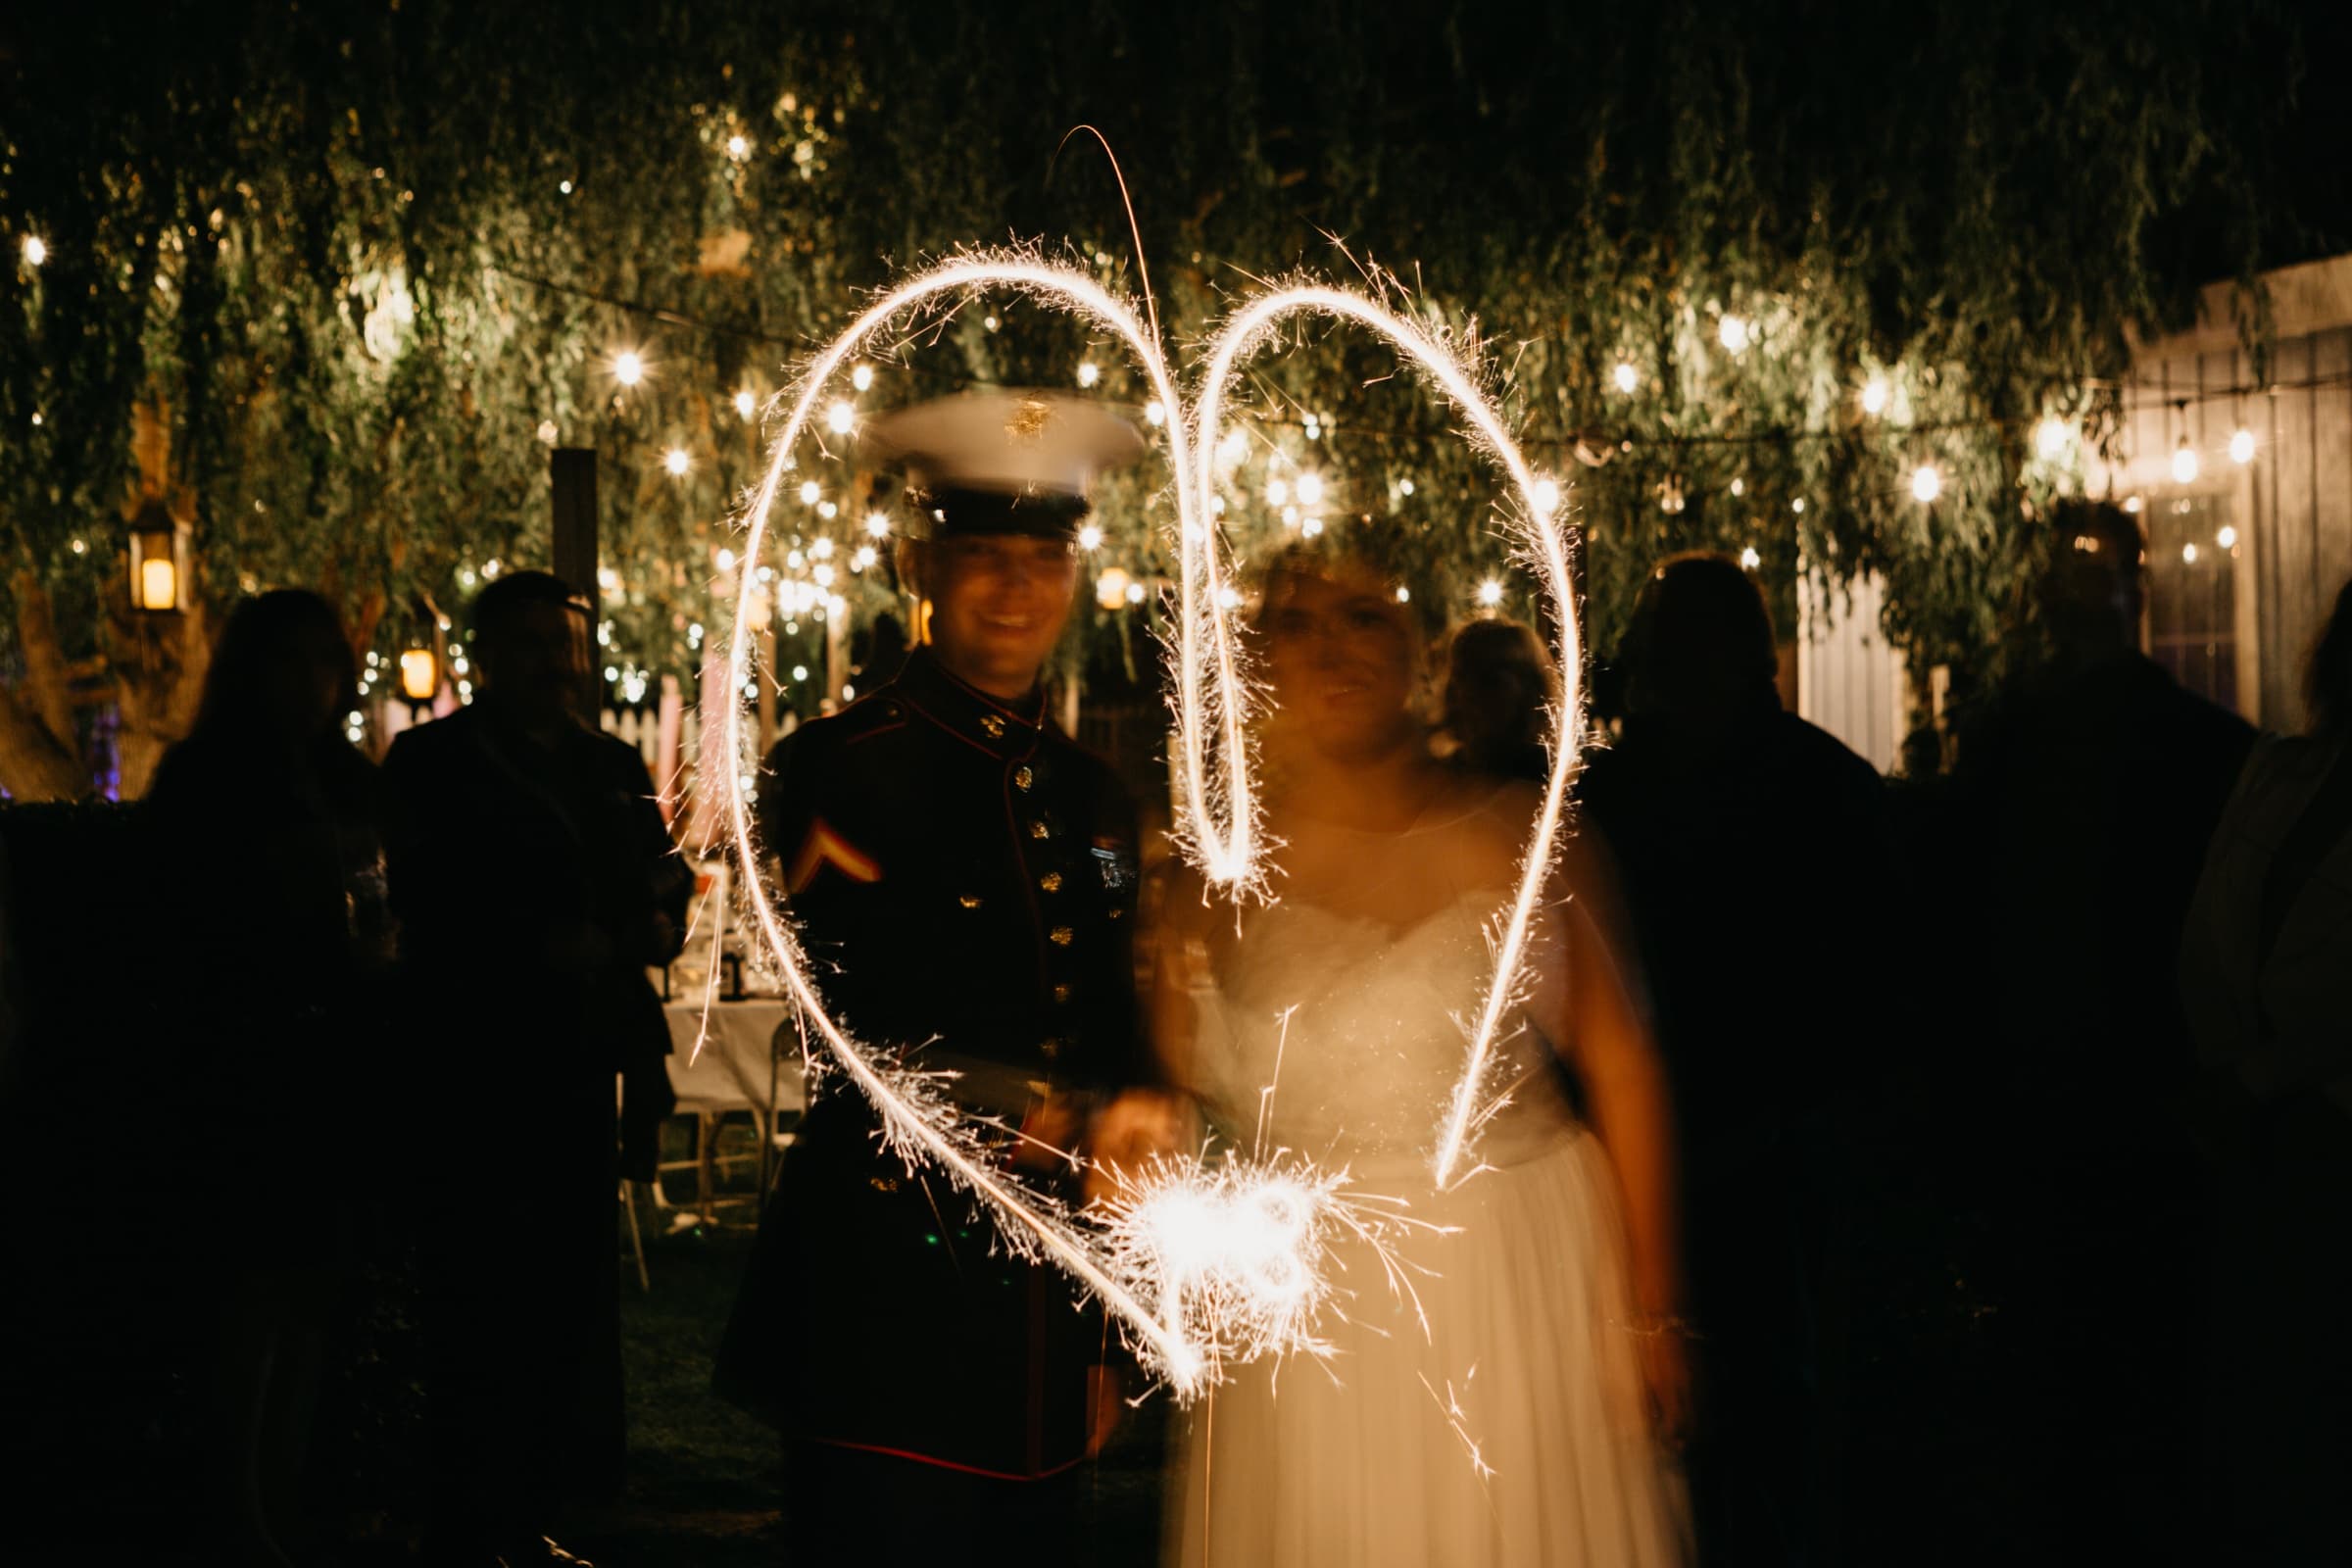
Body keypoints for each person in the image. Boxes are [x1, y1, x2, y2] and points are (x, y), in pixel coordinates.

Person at [1155, 530, 1690, 1568]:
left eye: (1364, 618)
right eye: (1297, 625)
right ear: (1259, 658)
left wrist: (1650, 1315)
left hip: (1505, 1289)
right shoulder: (1208, 877)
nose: (1332, 650)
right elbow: (1174, 1112)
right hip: (1300, 1322)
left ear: (1419, 650)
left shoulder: (1517, 837)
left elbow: (1627, 1067)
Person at [714, 392, 1154, 1565]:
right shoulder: (838, 771)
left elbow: (1109, 1021)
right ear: (919, 562)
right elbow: (857, 1031)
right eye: (983, 555)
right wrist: (1059, 1110)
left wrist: (1110, 1322)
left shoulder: (1092, 792)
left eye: (1045, 557)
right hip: (887, 1294)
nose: (1017, 589)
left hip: (1047, 1300)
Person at [1939, 501, 2252, 1555]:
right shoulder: (2193, 746)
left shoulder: (2011, 747)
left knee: (2067, 1403)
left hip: (2078, 1112)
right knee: (2130, 1399)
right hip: (2133, 1109)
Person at [1576, 552, 1887, 1563]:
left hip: (1759, 1148)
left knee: (1745, 1425)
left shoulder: (1809, 790)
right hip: (1708, 1146)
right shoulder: (1819, 785)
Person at [381, 570, 688, 1567]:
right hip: (473, 1066)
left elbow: (660, 871)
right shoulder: (432, 762)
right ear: (486, 656)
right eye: (529, 646)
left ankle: (535, 1505)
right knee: (477, 1296)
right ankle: (463, 1516)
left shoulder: (612, 763)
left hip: (577, 1066)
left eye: (563, 647)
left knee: (563, 1295)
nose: (553, 666)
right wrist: (531, 943)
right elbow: (428, 896)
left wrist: (656, 920)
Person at [145, 589, 388, 1568]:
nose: (313, 685)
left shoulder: (342, 776)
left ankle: (287, 1492)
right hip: (244, 1057)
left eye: (325, 665)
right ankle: (235, 1502)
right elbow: (180, 925)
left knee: (313, 1290)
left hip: (338, 1051)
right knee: (250, 1292)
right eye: (292, 664)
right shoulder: (208, 778)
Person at [2178, 577, 2352, 1561]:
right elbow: (2215, 917)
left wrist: (2268, 1069)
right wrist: (2227, 1059)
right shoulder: (2282, 772)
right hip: (2252, 1121)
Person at [1437, 615, 1554, 782]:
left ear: (1529, 691)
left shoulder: (1547, 787)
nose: (1466, 692)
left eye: (1489, 681)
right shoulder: (1440, 779)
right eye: (1461, 676)